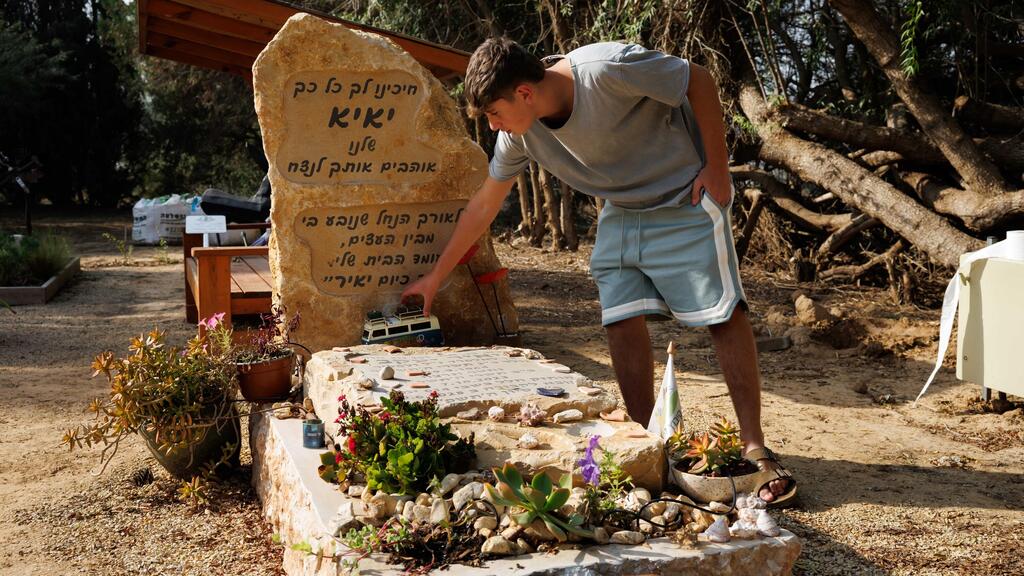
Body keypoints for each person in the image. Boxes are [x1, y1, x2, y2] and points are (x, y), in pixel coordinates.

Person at [402, 38, 796, 506]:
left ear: (525, 93)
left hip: (683, 196)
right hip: (622, 211)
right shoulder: (518, 136)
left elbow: (699, 80)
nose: (493, 126)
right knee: (619, 317)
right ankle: (654, 446)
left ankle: (755, 448)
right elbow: (485, 204)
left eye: (494, 112)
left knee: (721, 313)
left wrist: (717, 167)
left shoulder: (608, 69)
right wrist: (435, 278)